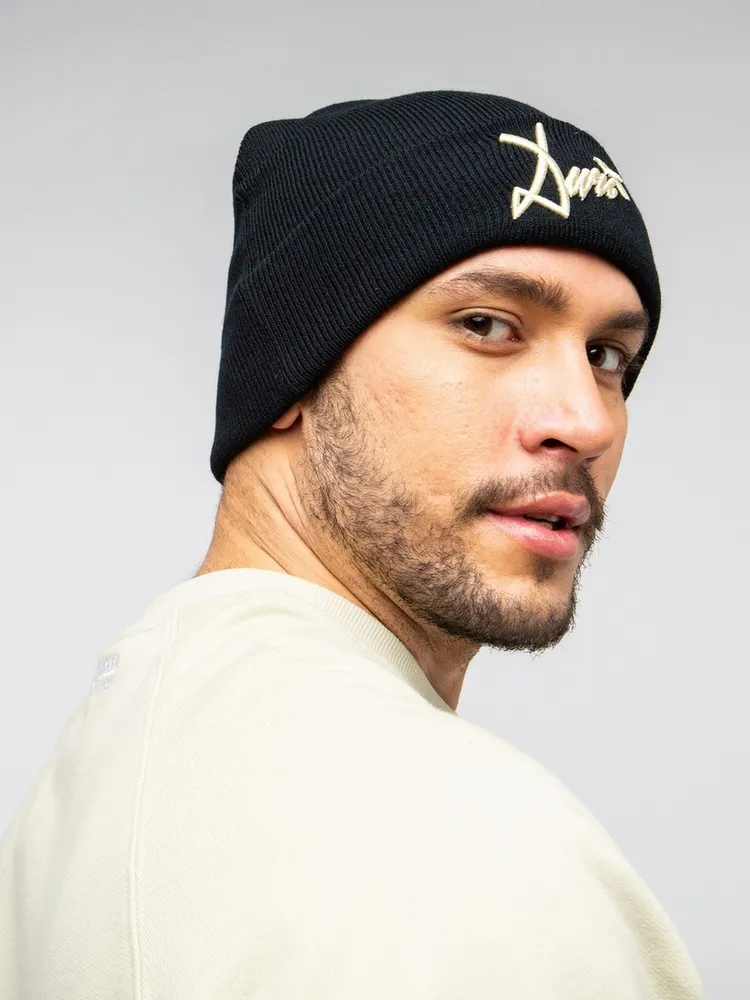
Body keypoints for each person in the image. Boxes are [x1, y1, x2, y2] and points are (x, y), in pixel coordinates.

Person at [0, 90, 705, 998]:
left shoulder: (85, 797)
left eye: (608, 356)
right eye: (487, 325)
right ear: (291, 366)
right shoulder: (465, 849)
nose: (587, 422)